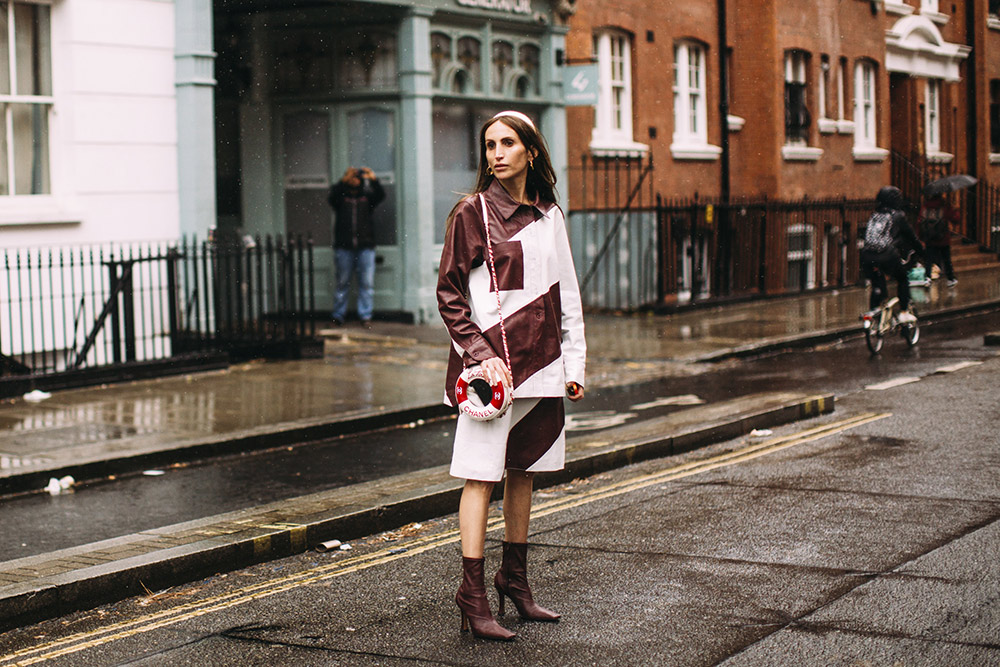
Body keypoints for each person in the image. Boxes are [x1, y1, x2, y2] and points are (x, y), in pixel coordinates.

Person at [436, 110, 586, 641]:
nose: (496, 153)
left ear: (532, 152)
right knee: (481, 476)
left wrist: (574, 363)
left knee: (524, 471)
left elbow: (567, 293)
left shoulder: (550, 216)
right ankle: (473, 595)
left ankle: (515, 582)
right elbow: (450, 296)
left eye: (507, 143)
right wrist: (479, 356)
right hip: (491, 375)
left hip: (543, 367)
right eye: (489, 145)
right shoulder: (471, 213)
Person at [328, 166, 385, 325]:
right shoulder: (341, 197)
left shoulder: (367, 197)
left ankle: (365, 315)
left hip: (365, 246)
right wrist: (342, 181)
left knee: (366, 283)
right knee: (342, 283)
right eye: (351, 178)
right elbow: (331, 198)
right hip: (344, 247)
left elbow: (380, 195)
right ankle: (338, 315)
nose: (354, 180)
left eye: (357, 178)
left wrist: (373, 179)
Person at [860, 186, 924, 323]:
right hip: (886, 255)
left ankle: (874, 311)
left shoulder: (875, 214)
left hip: (866, 256)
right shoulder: (898, 215)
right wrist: (923, 253)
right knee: (902, 279)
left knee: (877, 282)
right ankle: (904, 312)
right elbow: (911, 237)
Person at [918, 192, 958, 287]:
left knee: (929, 259)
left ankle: (927, 277)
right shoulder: (944, 206)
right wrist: (955, 210)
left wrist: (921, 237)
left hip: (930, 238)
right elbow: (955, 220)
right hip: (943, 238)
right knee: (946, 259)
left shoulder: (925, 207)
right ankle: (950, 278)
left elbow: (919, 222)